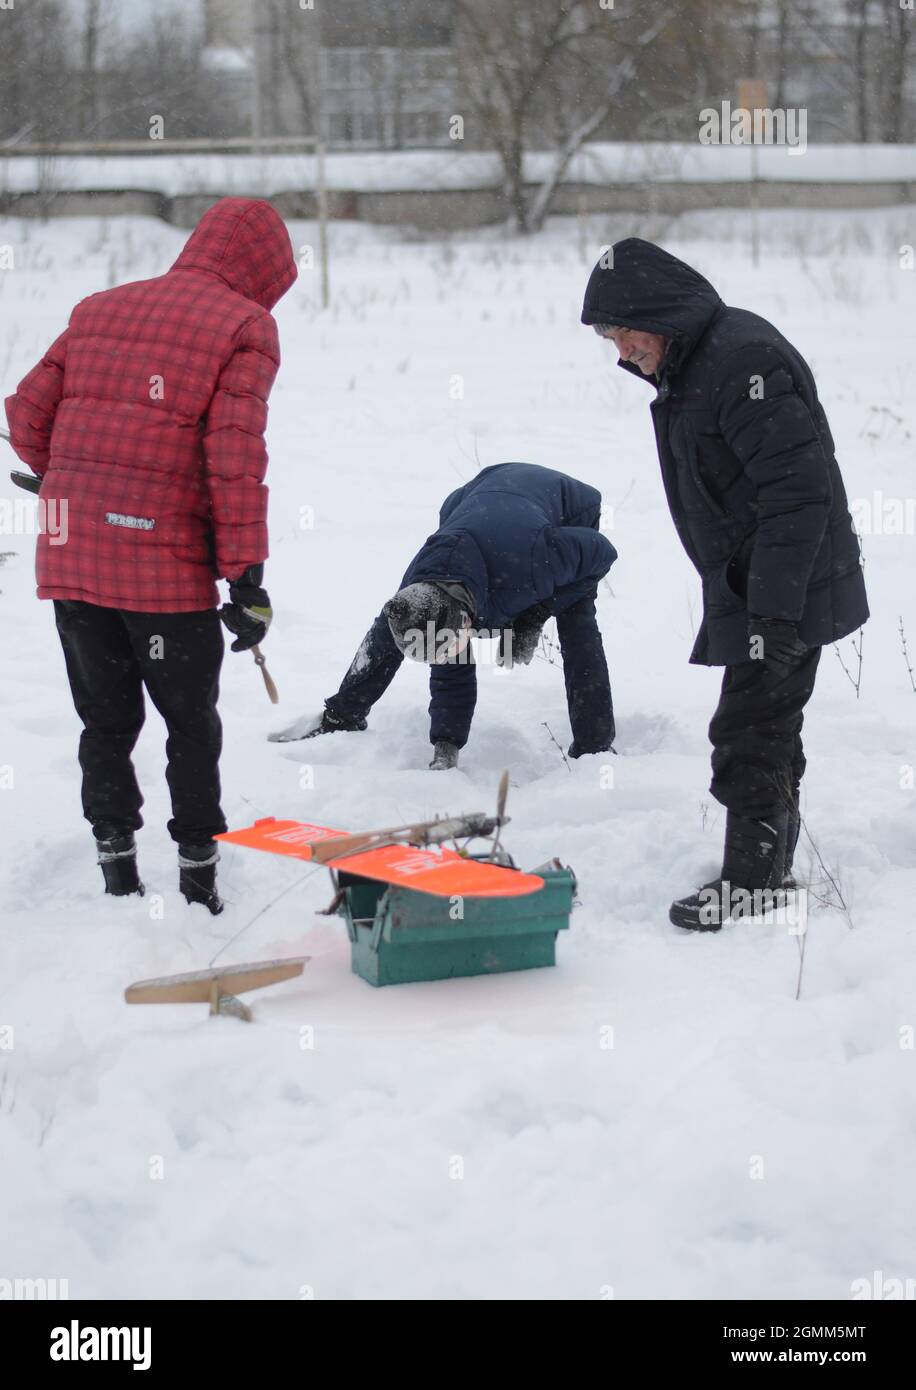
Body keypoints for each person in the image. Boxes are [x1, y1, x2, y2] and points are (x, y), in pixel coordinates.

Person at [4, 197, 297, 913]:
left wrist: (68, 476)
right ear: (263, 270)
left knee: (104, 722)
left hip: (73, 557)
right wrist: (245, 578)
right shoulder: (245, 325)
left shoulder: (102, 306)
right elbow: (233, 457)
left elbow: (24, 413)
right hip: (163, 574)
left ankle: (118, 875)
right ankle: (197, 883)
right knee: (189, 724)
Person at [581, 238, 868, 931]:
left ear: (657, 315)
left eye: (623, 334)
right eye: (609, 341)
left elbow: (797, 498)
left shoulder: (742, 362)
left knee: (751, 729)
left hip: (787, 586)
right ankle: (762, 868)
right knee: (760, 727)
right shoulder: (697, 361)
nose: (622, 354)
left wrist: (771, 613)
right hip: (758, 580)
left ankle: (755, 883)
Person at [271, 462, 616, 768]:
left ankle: (594, 746)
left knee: (578, 627)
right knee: (390, 640)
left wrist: (535, 613)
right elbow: (441, 663)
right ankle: (343, 717)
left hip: (567, 510)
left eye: (449, 647)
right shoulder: (414, 593)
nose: (449, 657)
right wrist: (446, 745)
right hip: (473, 498)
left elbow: (602, 553)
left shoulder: (535, 562)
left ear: (465, 619)